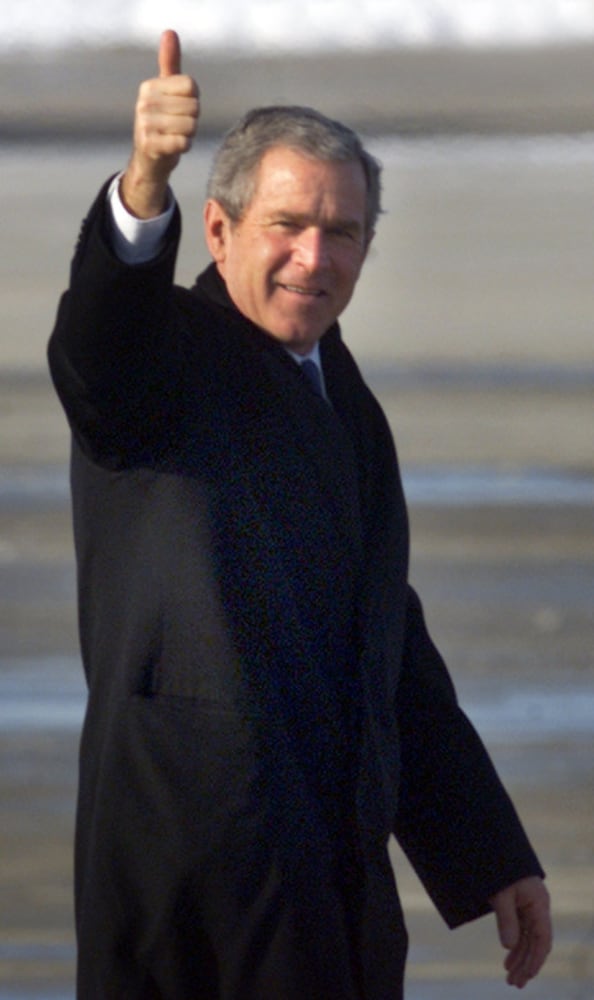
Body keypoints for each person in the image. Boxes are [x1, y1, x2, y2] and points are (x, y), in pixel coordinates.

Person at [48, 29, 552, 1000]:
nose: (313, 258)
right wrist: (142, 183)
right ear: (220, 231)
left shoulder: (343, 398)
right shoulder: (167, 360)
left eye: (344, 231)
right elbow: (98, 358)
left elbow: (387, 648)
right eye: (287, 224)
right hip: (189, 885)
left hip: (333, 885)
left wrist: (487, 847)